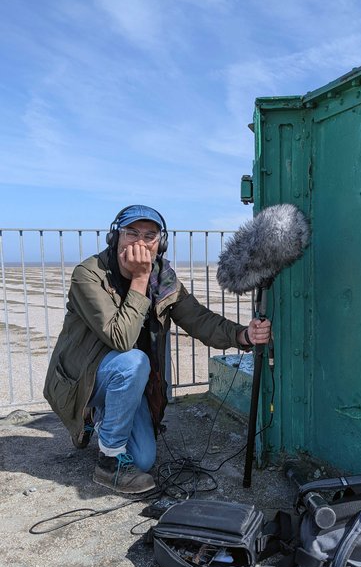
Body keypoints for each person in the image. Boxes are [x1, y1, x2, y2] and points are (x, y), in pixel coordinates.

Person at [44, 205, 271, 494]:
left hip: (125, 380)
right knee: (134, 362)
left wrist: (242, 335)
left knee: (144, 459)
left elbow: (197, 318)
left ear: (160, 244)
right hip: (83, 382)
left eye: (150, 236)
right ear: (115, 237)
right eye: (132, 233)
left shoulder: (163, 277)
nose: (140, 242)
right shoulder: (89, 275)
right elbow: (121, 339)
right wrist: (140, 279)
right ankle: (109, 462)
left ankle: (101, 419)